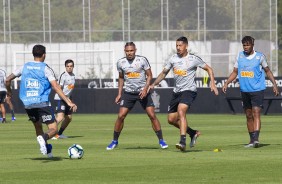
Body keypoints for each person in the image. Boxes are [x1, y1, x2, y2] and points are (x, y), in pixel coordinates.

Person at [5, 44, 77, 157]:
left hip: (28, 103)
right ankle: (43, 138)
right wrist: (69, 102)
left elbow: (8, 79)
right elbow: (56, 87)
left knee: (38, 126)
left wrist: (9, 93)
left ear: (33, 54)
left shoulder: (25, 67)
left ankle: (47, 151)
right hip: (42, 102)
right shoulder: (46, 68)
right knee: (53, 129)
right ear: (44, 55)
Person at [150, 36, 219, 151]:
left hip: (189, 91)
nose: (178, 47)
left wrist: (213, 84)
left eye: (180, 45)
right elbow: (163, 73)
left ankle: (182, 141)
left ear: (186, 46)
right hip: (176, 92)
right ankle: (193, 133)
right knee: (171, 120)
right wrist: (153, 84)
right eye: (176, 45)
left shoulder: (193, 59)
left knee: (181, 111)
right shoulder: (173, 59)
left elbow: (209, 69)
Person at [106, 42, 168, 150]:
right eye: (127, 51)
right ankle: (114, 141)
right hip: (129, 93)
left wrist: (145, 89)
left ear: (135, 50)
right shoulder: (121, 62)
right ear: (124, 51)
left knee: (152, 115)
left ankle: (161, 140)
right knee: (120, 116)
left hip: (143, 93)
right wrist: (119, 94)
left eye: (131, 50)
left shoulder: (142, 60)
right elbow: (121, 78)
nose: (129, 53)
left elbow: (149, 75)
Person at [222, 36, 279, 148]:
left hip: (257, 90)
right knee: (248, 115)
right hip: (244, 90)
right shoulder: (240, 56)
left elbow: (268, 71)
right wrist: (226, 83)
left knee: (256, 112)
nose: (246, 47)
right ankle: (251, 140)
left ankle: (256, 139)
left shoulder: (260, 57)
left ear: (252, 45)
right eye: (244, 45)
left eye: (248, 45)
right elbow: (235, 72)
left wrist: (274, 84)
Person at [52, 59, 75, 139]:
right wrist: (66, 99)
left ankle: (59, 134)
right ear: (65, 67)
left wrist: (70, 101)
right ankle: (51, 133)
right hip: (60, 98)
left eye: (71, 66)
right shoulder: (63, 76)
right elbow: (59, 89)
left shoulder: (73, 76)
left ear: (73, 67)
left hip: (67, 100)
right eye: (68, 66)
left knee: (69, 118)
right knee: (60, 116)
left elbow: (70, 90)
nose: (69, 68)